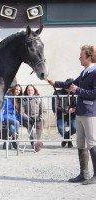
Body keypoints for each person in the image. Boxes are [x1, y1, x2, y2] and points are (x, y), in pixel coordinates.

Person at [48, 45, 96, 185]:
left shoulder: (94, 72)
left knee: (92, 143)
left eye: (81, 55)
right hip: (80, 112)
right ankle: (84, 173)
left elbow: (94, 93)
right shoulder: (84, 72)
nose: (79, 58)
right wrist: (55, 83)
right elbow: (71, 84)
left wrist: (78, 90)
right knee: (80, 143)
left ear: (88, 56)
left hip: (90, 113)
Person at [52, 78, 76, 148]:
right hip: (61, 115)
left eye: (71, 86)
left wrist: (74, 109)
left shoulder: (76, 93)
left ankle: (65, 139)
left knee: (75, 128)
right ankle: (69, 140)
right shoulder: (57, 93)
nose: (69, 88)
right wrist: (66, 110)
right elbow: (54, 107)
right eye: (68, 86)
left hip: (73, 115)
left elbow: (79, 105)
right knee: (61, 128)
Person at [21, 84, 45, 152]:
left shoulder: (38, 98)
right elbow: (22, 112)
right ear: (26, 91)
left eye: (31, 90)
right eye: (28, 90)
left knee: (38, 126)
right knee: (29, 126)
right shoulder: (23, 99)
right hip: (27, 117)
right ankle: (33, 142)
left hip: (38, 117)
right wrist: (28, 119)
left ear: (34, 91)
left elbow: (43, 111)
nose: (30, 91)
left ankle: (37, 144)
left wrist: (40, 117)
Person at [0, 84, 22, 149]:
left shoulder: (19, 99)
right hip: (6, 116)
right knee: (16, 123)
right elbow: (0, 109)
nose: (17, 91)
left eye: (19, 90)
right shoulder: (7, 97)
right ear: (14, 89)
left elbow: (19, 112)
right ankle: (13, 141)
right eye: (16, 89)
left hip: (14, 117)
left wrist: (20, 119)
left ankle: (6, 142)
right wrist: (1, 119)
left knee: (12, 127)